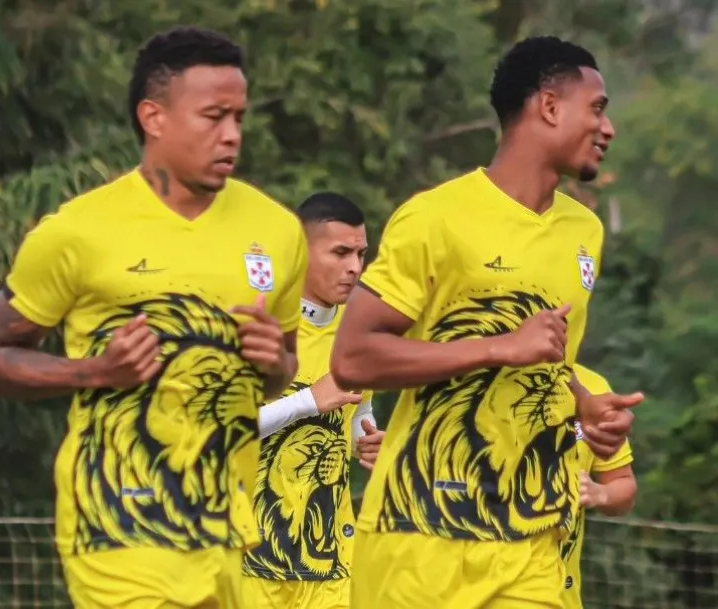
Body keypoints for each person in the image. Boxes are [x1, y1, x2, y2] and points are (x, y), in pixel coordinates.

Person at [0, 26, 309, 609]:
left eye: (239, 118)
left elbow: (281, 370)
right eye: (213, 116)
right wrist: (96, 372)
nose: (232, 135)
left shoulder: (277, 231)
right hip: (117, 524)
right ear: (154, 117)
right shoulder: (77, 232)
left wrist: (275, 361)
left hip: (228, 526)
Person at [330, 36, 642, 608]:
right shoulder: (436, 218)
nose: (608, 127)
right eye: (596, 108)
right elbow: (352, 359)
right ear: (548, 106)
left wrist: (583, 403)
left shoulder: (584, 232)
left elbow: (548, 355)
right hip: (419, 537)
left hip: (532, 544)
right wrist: (499, 347)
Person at [242, 192, 383, 609]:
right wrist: (306, 401)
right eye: (340, 252)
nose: (354, 267)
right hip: (248, 564)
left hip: (332, 568)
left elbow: (359, 415)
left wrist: (372, 443)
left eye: (360, 253)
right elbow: (219, 430)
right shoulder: (256, 328)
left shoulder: (358, 336)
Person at [561, 363, 638, 609]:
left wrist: (600, 494)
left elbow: (623, 485)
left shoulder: (592, 388)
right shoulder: (459, 365)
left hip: (557, 593)